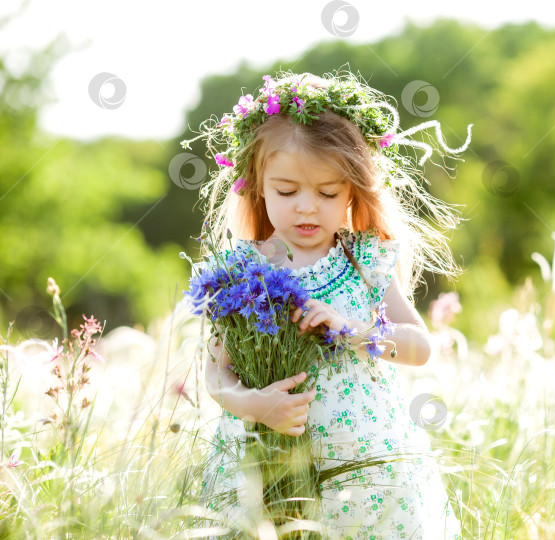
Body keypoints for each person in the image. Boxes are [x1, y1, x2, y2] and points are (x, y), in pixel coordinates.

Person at [183, 70, 472, 539]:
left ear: (353, 191)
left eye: (327, 193)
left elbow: (420, 347)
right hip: (267, 465)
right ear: (257, 186)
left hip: (365, 466)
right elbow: (216, 372)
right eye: (286, 191)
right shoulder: (241, 270)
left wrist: (351, 328)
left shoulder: (365, 261)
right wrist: (254, 405)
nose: (305, 208)